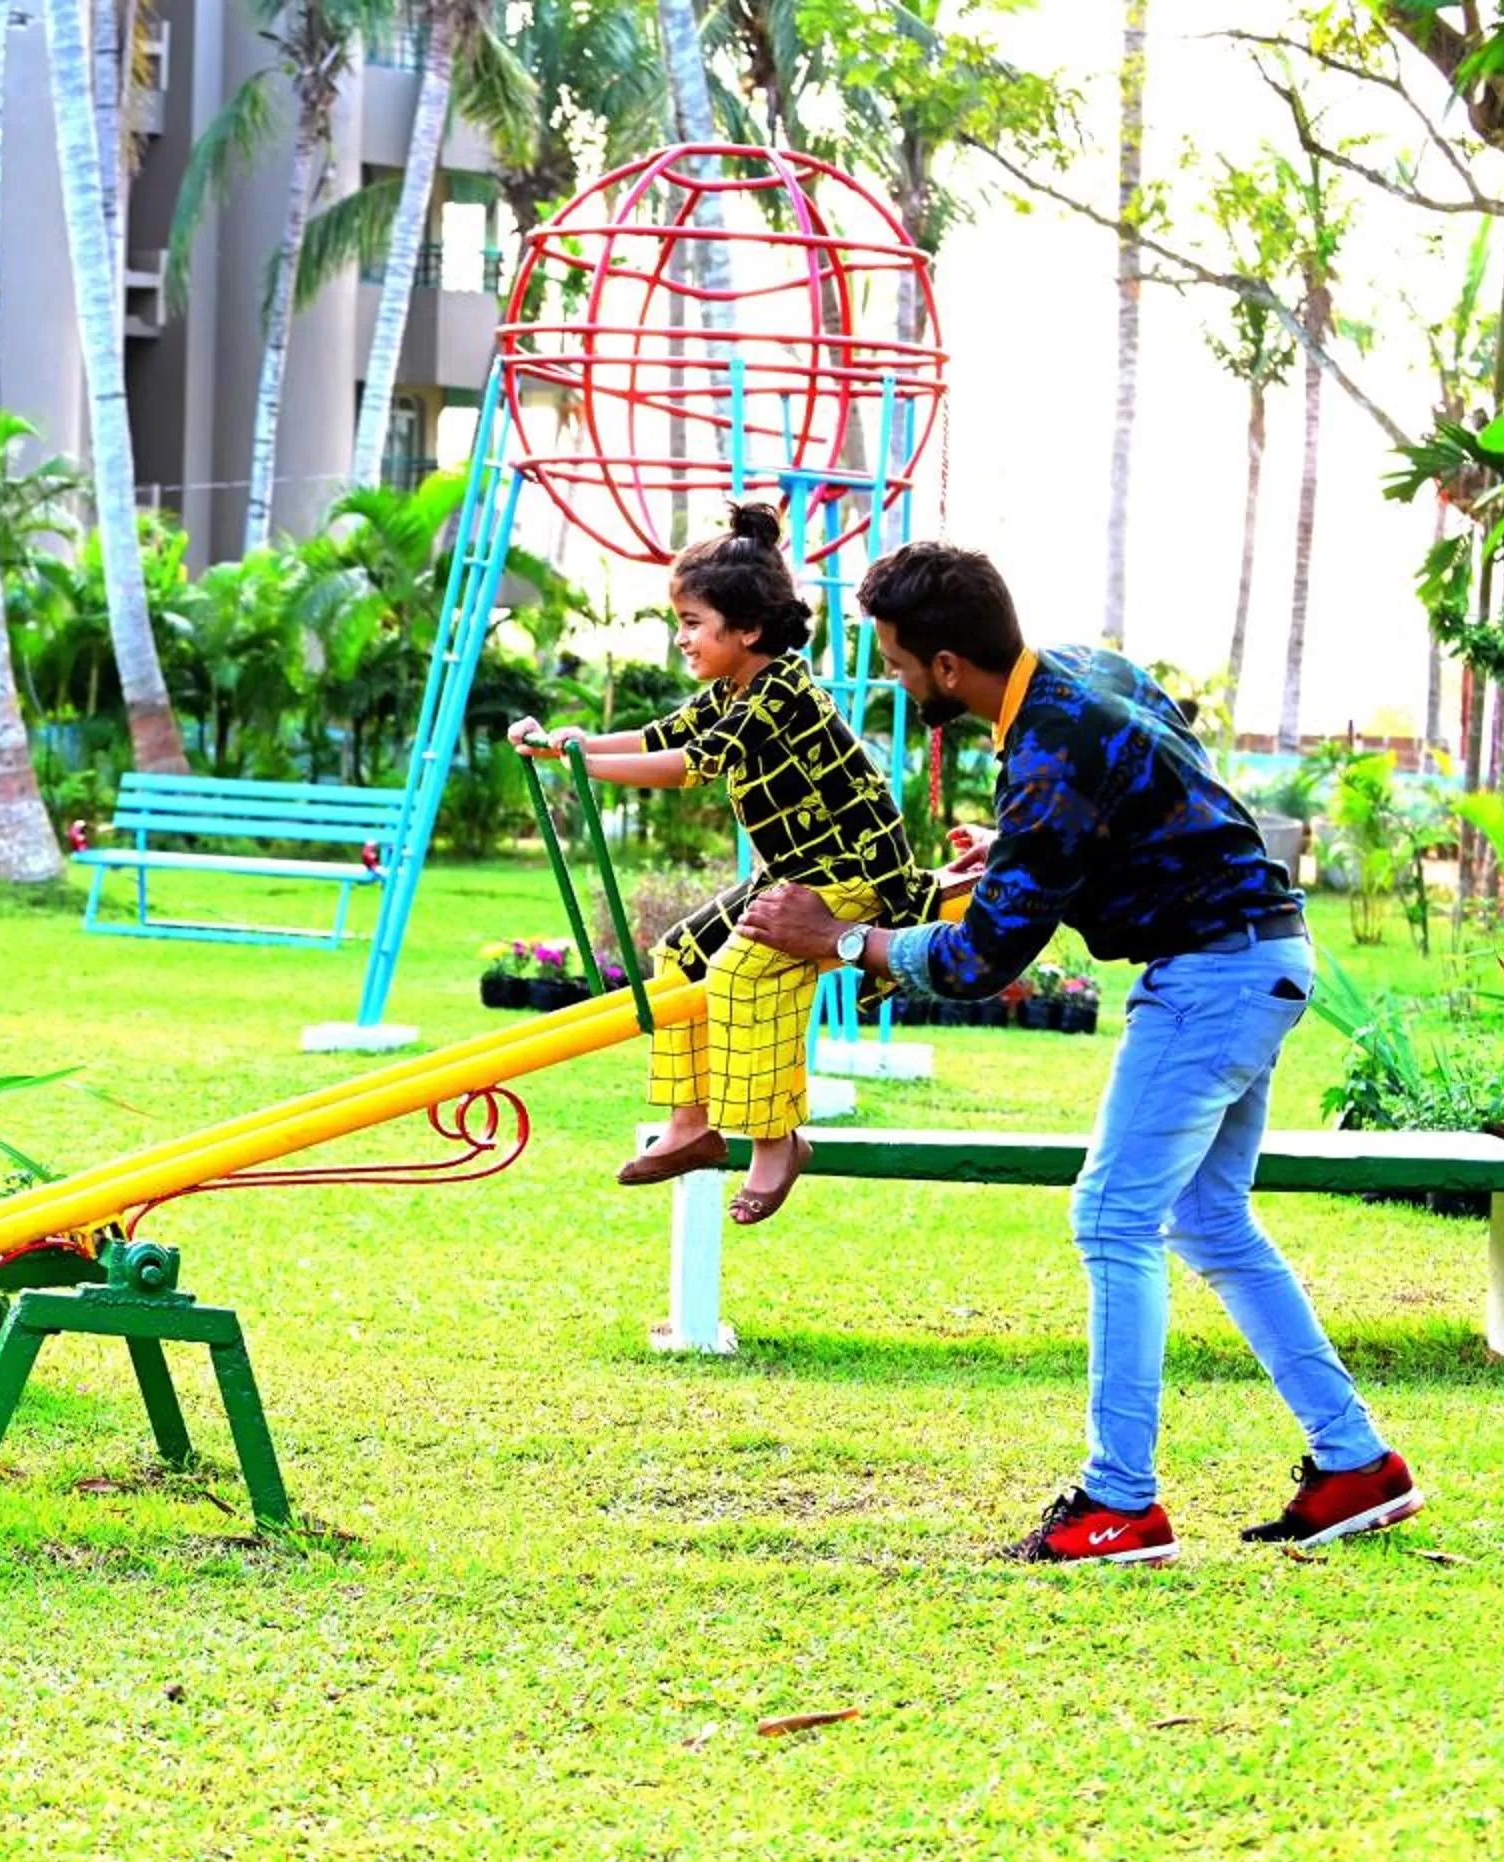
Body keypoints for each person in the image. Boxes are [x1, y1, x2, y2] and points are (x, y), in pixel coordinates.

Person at [735, 541, 1422, 1565]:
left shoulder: (1049, 753)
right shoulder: (1084, 672)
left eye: (895, 656)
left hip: (1212, 973)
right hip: (1259, 951)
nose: (891, 673)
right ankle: (1357, 1462)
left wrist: (836, 940)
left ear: (948, 666)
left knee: (1112, 1214)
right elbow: (1154, 767)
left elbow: (978, 957)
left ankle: (1120, 1501)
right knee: (1208, 1215)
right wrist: (1022, 851)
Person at [507, 504, 935, 1224]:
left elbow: (691, 765)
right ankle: (692, 1123)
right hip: (795, 876)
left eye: (693, 623)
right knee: (680, 954)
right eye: (680, 622)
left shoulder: (781, 695)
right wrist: (571, 745)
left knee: (741, 973)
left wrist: (584, 769)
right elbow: (659, 733)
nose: (682, 639)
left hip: (855, 874)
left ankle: (777, 1142)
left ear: (749, 630)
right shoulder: (733, 690)